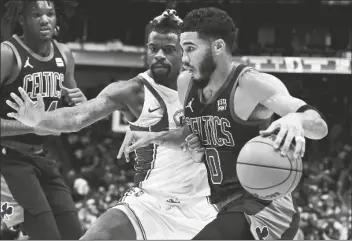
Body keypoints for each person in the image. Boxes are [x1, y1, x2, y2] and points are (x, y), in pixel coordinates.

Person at [115, 7, 329, 240]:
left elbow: (319, 126)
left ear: (218, 46)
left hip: (266, 207)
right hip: (224, 207)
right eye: (182, 49)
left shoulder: (250, 84)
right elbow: (193, 132)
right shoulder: (186, 83)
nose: (183, 58)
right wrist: (153, 134)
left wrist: (297, 118)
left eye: (190, 49)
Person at [6, 10, 218, 240]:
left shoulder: (206, 88)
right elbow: (77, 117)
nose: (158, 55)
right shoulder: (132, 91)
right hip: (149, 203)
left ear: (185, 52)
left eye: (168, 50)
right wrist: (40, 118)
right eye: (152, 48)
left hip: (199, 207)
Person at [0, 0, 86, 239]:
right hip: (7, 161)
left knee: (75, 234)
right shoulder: (7, 54)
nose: (45, 19)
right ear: (21, 19)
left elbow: (74, 117)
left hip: (42, 156)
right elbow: (39, 126)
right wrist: (30, 126)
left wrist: (81, 104)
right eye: (36, 14)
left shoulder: (64, 54)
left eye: (50, 13)